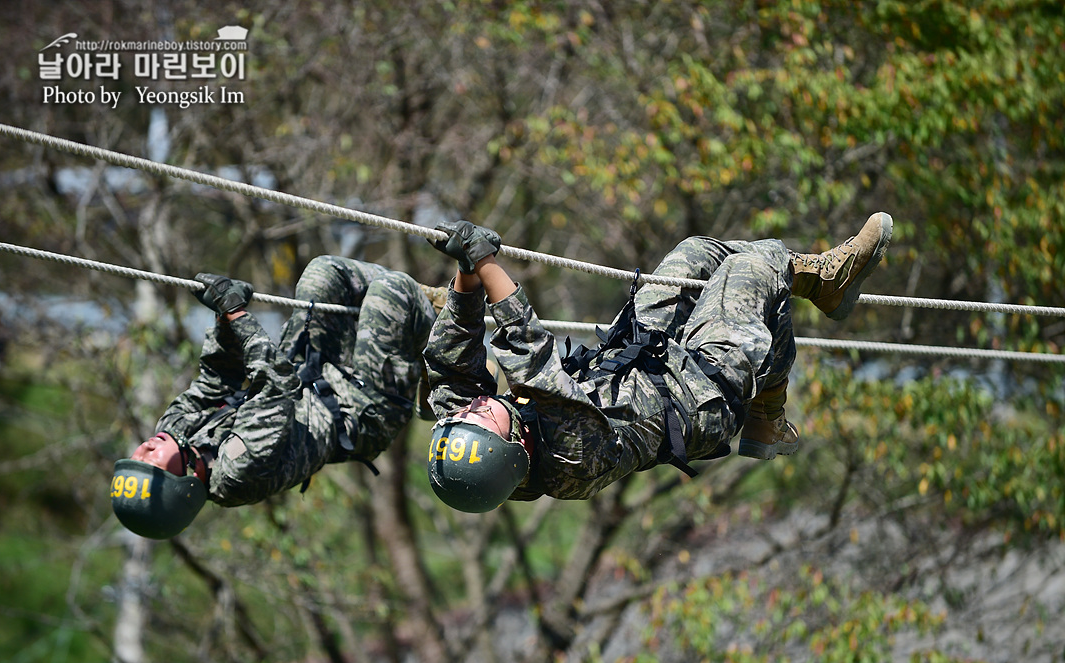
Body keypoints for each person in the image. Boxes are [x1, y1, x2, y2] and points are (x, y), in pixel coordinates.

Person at [421, 213, 892, 513]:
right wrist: (484, 261)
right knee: (755, 267)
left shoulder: (480, 440)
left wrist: (464, 276)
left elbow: (450, 365)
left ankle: (769, 411)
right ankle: (820, 291)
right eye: (479, 418)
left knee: (699, 253)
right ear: (516, 444)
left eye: (463, 415)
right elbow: (528, 351)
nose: (471, 409)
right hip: (702, 394)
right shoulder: (571, 458)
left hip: (645, 356)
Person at [111, 256, 442, 539]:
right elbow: (275, 388)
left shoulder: (174, 429)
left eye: (135, 457)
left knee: (323, 273)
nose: (143, 449)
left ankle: (425, 309)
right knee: (392, 291)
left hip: (310, 372)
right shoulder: (237, 474)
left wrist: (223, 323)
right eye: (148, 464)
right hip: (363, 410)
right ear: (183, 483)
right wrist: (237, 316)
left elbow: (217, 377)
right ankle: (442, 353)